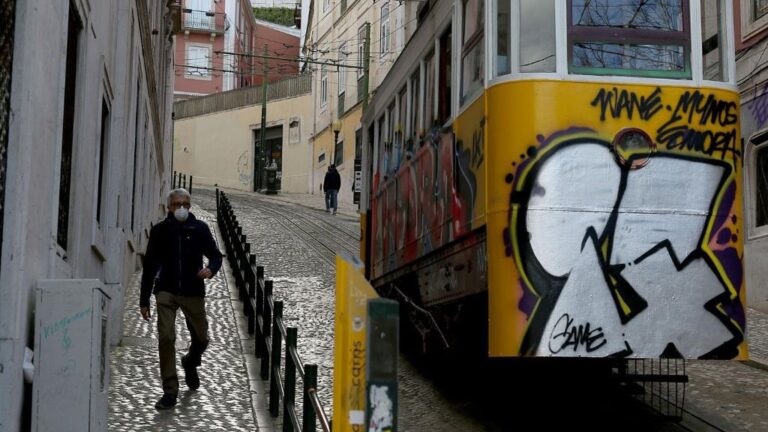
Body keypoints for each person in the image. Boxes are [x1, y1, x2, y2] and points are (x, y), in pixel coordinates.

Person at [139, 188, 223, 410]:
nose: (182, 208)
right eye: (177, 204)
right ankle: (170, 390)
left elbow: (216, 255)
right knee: (166, 337)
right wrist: (144, 300)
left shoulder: (199, 229)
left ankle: (190, 362)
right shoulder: (160, 231)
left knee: (202, 338)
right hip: (165, 290)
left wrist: (210, 269)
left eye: (186, 204)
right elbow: (150, 266)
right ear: (169, 207)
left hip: (193, 291)